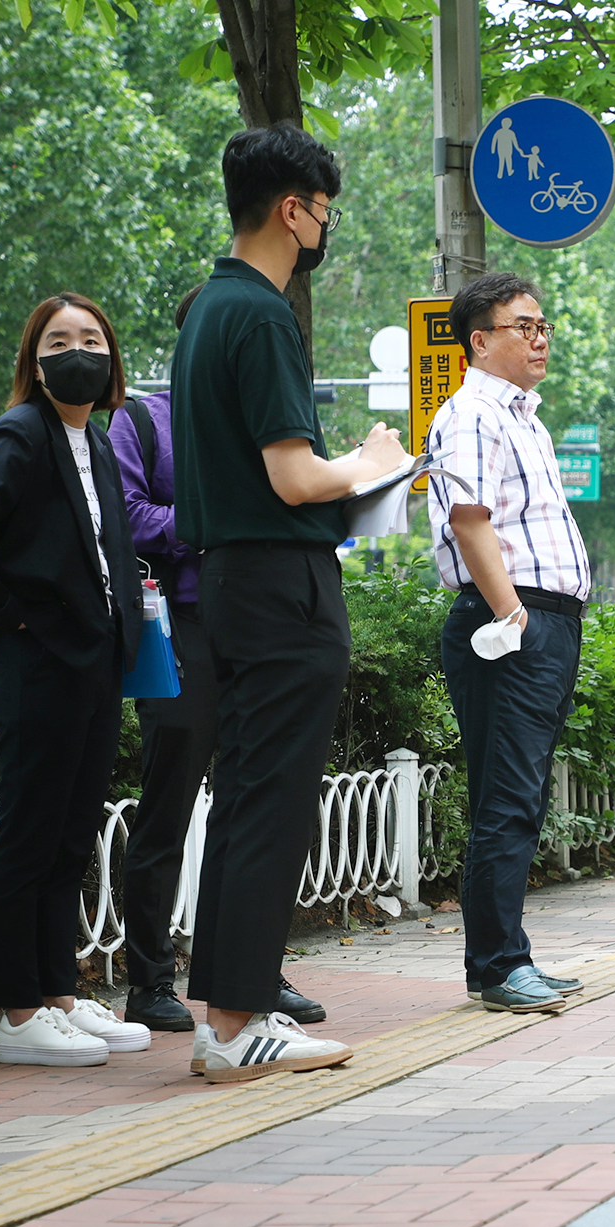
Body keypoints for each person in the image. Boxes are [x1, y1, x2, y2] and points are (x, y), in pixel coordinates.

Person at [172, 123, 408, 1082]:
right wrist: (375, 464)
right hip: (281, 584)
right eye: (324, 208)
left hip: (231, 581)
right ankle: (238, 1024)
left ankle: (227, 1017)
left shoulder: (204, 311)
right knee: (272, 801)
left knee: (244, 798)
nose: (326, 224)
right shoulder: (263, 316)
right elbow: (293, 477)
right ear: (292, 208)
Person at [0, 293, 153, 1067]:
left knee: (71, 834)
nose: (79, 351)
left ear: (112, 357)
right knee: (30, 837)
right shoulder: (23, 431)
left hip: (94, 662)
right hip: (40, 664)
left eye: (92, 338)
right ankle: (18, 1012)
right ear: (35, 361)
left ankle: (59, 995)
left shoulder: (90, 439)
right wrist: (10, 614)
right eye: (60, 340)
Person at [111, 287, 327, 1034]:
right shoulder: (142, 419)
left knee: (254, 803)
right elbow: (127, 514)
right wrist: (215, 518)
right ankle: (148, 981)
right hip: (181, 627)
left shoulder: (274, 430)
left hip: (262, 620)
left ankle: (251, 973)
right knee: (169, 803)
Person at [426, 271, 591, 1015]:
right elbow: (470, 520)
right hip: (511, 622)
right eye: (524, 326)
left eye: (544, 325)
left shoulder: (525, 418)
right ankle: (497, 967)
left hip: (546, 620)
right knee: (507, 797)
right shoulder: (471, 415)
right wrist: (512, 615)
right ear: (480, 340)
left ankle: (503, 959)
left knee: (518, 795)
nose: (540, 338)